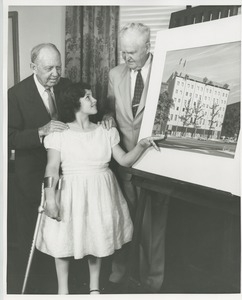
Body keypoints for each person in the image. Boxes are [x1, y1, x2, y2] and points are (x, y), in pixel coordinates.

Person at [35, 82, 161, 295]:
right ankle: (62, 292)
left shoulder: (105, 131)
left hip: (101, 192)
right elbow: (52, 167)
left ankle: (94, 289)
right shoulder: (59, 133)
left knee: (97, 236)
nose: (94, 100)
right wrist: (50, 199)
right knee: (63, 239)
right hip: (70, 192)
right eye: (87, 97)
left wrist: (142, 144)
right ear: (74, 103)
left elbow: (124, 160)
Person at [102, 23, 170, 292]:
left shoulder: (164, 72)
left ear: (147, 48)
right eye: (123, 52)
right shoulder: (115, 74)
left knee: (153, 228)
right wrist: (107, 116)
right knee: (124, 219)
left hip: (156, 161)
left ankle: (152, 282)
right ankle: (122, 271)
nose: (126, 58)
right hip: (124, 163)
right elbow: (109, 107)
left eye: (132, 52)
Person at [8, 43, 71, 293]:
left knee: (60, 229)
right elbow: (9, 136)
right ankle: (32, 287)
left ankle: (61, 284)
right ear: (33, 67)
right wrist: (40, 132)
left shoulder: (65, 86)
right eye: (49, 68)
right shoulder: (15, 94)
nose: (56, 73)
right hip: (30, 175)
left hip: (65, 173)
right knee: (30, 236)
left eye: (58, 66)